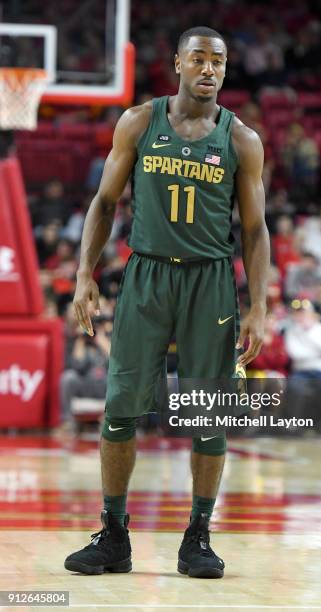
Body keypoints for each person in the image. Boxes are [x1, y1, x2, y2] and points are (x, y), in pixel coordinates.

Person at [64, 26, 270, 579]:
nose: (209, 69)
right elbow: (104, 202)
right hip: (146, 275)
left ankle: (198, 537)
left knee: (209, 415)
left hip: (210, 284)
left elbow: (254, 230)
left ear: (226, 70)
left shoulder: (241, 139)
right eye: (198, 58)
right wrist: (85, 274)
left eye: (218, 61)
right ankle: (113, 534)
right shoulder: (138, 121)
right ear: (177, 62)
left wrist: (258, 306)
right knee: (121, 406)